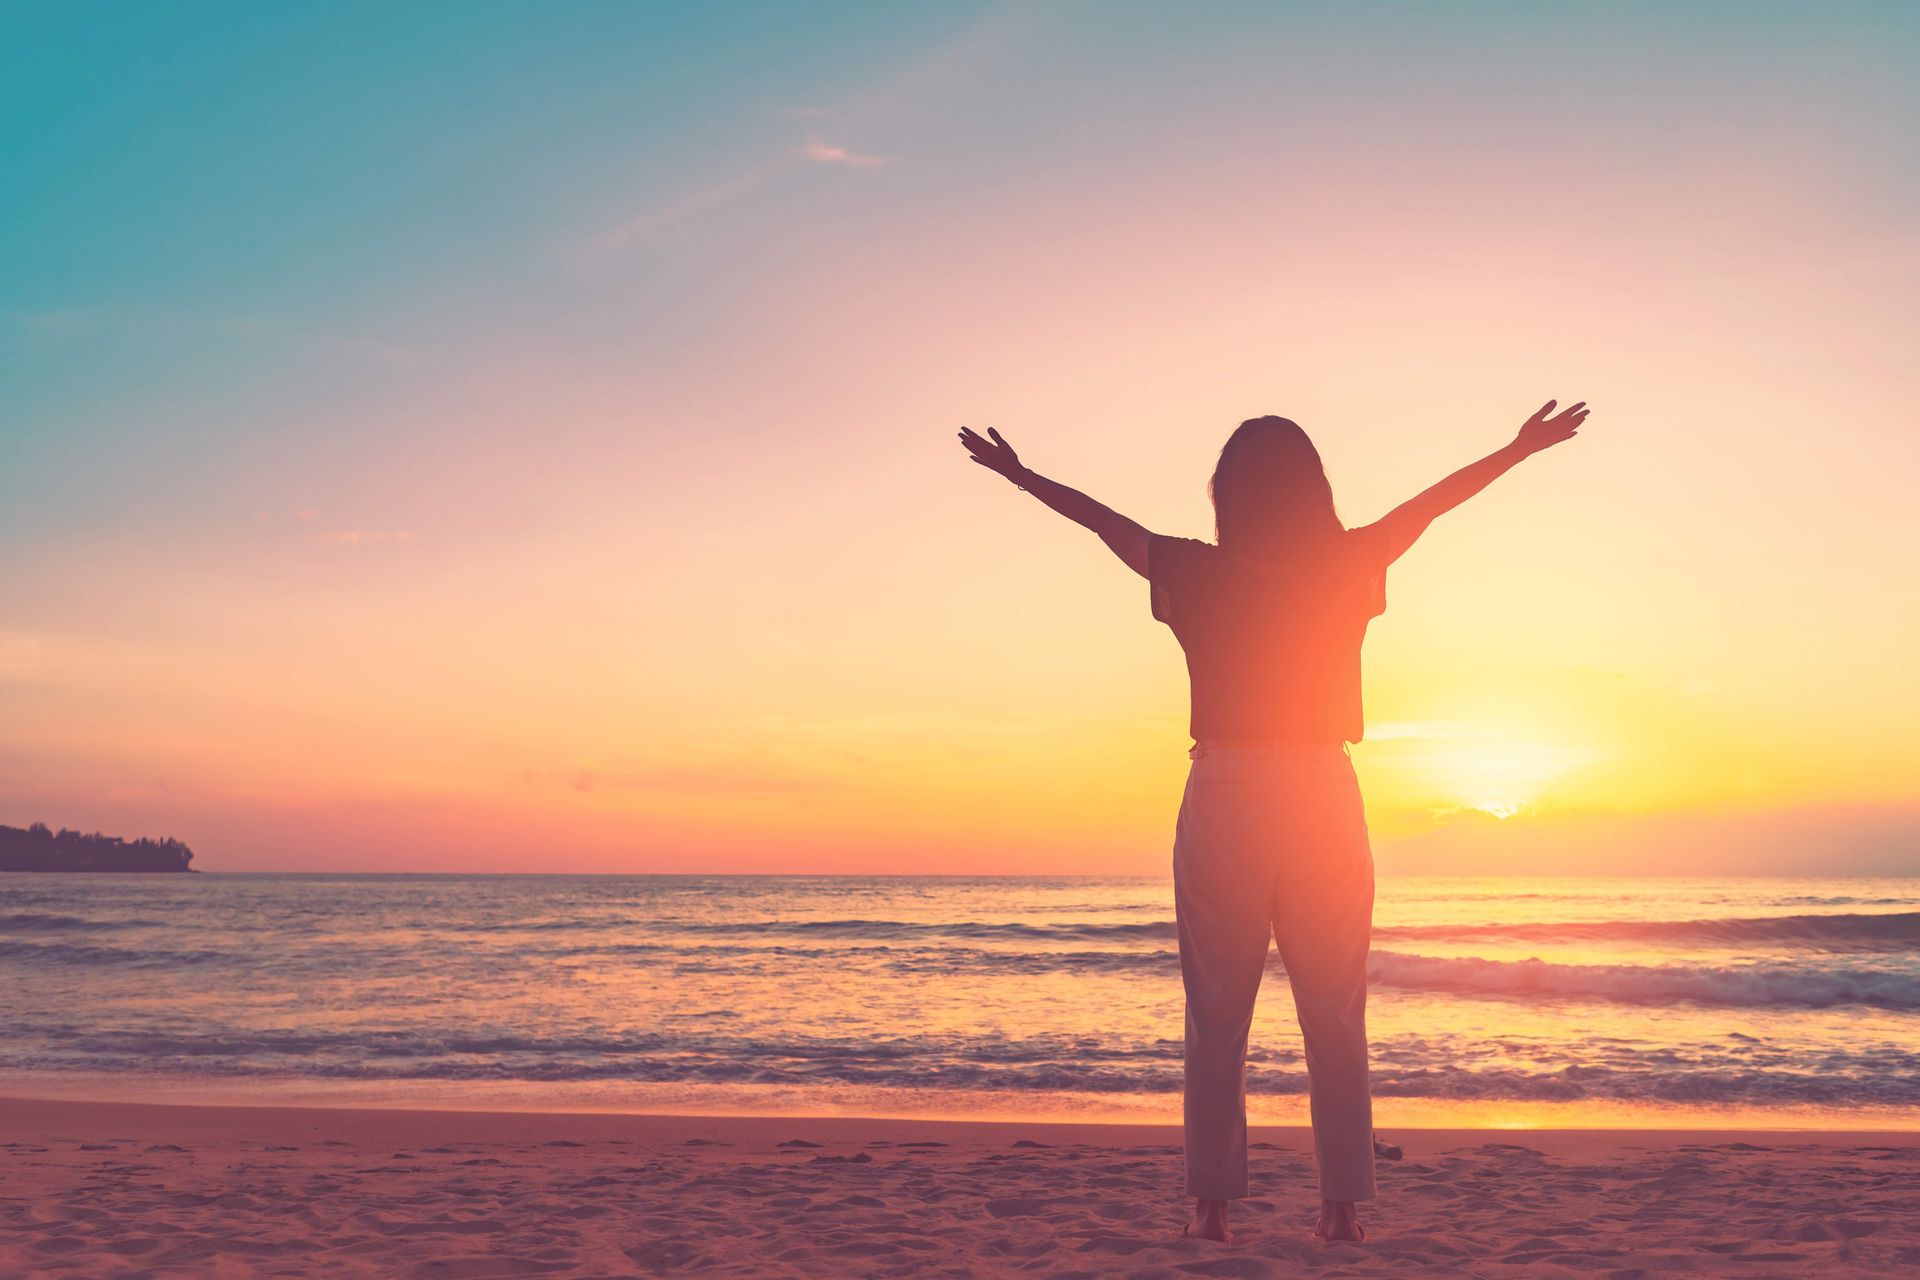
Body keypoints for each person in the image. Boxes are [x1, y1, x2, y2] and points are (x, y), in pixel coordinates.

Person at [957, 400, 1592, 1244]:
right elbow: (1436, 502)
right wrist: (1517, 449)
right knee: (1334, 1009)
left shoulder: (1191, 568)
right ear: (1314, 489)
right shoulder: (1350, 559)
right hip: (1322, 791)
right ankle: (1340, 1211)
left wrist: (1021, 475)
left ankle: (1212, 1206)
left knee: (1216, 1010)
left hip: (1226, 788)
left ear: (1227, 494)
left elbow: (1101, 523)